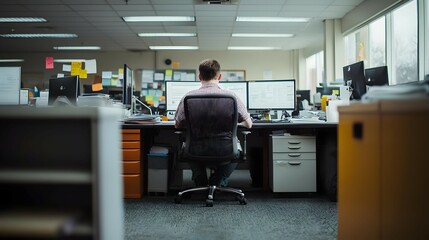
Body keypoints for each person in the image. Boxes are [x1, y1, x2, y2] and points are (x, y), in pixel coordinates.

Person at [174, 58, 252, 187]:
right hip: (225, 149)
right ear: (219, 76)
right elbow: (248, 124)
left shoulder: (189, 97)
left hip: (195, 149)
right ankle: (219, 180)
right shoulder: (231, 97)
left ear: (199, 76)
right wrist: (233, 125)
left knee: (188, 143)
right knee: (236, 147)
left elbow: (177, 125)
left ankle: (200, 180)